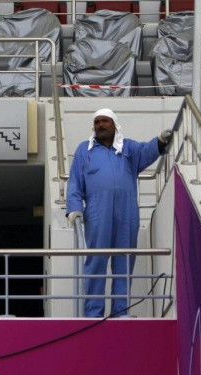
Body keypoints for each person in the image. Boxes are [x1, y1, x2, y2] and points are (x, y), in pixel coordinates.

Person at [66, 108, 172, 318]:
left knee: (124, 262)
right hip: (97, 213)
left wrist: (160, 141)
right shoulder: (84, 150)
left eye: (105, 121)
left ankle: (120, 311)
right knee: (96, 262)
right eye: (97, 122)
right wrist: (74, 208)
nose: (100, 125)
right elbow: (75, 182)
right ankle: (93, 313)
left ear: (114, 124)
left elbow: (146, 151)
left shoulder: (128, 148)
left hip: (127, 214)